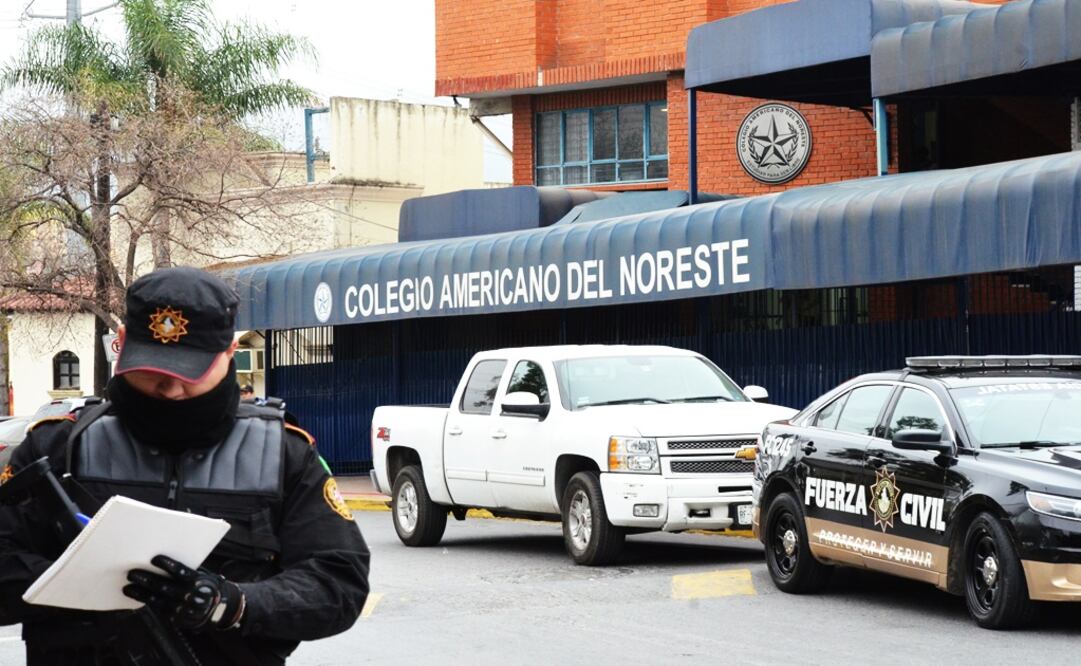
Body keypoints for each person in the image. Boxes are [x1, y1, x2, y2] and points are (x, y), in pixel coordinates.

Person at [0, 266, 370, 665]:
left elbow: (338, 582)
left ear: (230, 350)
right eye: (154, 367)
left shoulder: (283, 453)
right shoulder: (58, 445)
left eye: (191, 370)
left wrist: (234, 603)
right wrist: (78, 586)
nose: (172, 388)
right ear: (121, 342)